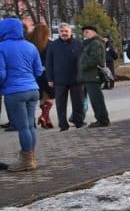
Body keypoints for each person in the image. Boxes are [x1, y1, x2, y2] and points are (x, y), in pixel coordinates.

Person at [0, 17, 44, 171]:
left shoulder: (1, 47)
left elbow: (1, 74)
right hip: (33, 89)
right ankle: (30, 157)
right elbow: (39, 70)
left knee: (23, 127)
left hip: (14, 92)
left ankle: (27, 162)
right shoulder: (30, 46)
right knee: (30, 127)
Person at [45, 22, 85, 131]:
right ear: (58, 32)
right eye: (62, 31)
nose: (64, 33)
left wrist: (83, 75)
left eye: (66, 31)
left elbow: (83, 61)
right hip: (59, 80)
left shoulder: (78, 44)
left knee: (78, 103)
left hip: (76, 79)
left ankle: (79, 122)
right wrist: (49, 78)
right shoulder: (53, 45)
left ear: (70, 32)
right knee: (60, 105)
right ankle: (63, 125)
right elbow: (48, 63)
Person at [78, 25, 110, 127]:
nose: (85, 34)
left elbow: (96, 59)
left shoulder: (95, 43)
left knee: (97, 99)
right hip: (89, 76)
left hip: (93, 75)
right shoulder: (89, 43)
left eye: (87, 32)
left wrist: (83, 65)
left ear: (94, 33)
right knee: (95, 99)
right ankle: (101, 119)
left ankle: (102, 120)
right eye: (84, 32)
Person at [25, 22, 54, 129]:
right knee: (50, 97)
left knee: (42, 96)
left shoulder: (29, 43)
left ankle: (46, 119)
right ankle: (44, 116)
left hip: (34, 74)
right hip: (47, 73)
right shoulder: (50, 44)